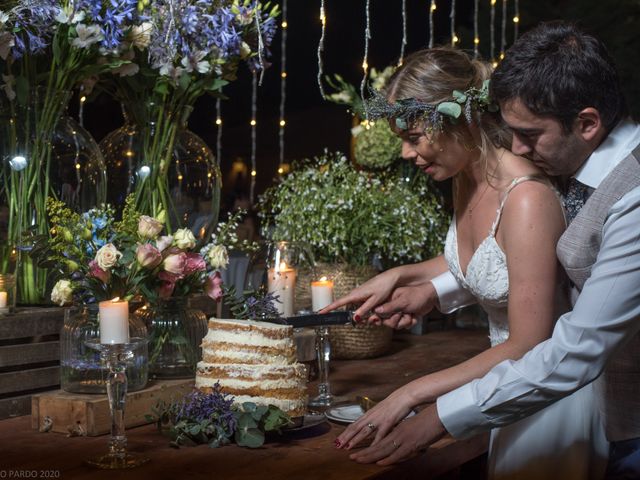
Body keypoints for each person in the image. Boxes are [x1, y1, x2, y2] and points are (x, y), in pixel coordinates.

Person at [328, 22, 640, 479]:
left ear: (588, 124)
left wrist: (428, 404)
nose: (517, 147)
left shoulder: (620, 194)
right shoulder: (570, 166)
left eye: (530, 134)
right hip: (530, 390)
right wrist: (421, 284)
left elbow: (573, 348)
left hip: (577, 400)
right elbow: (517, 255)